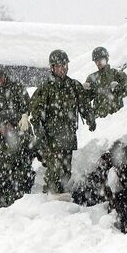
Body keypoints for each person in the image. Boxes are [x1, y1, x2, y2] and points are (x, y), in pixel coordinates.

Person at [29, 49, 96, 195]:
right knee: (54, 170)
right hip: (51, 139)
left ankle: (62, 199)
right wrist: (39, 129)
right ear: (52, 67)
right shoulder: (45, 88)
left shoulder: (73, 86)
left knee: (65, 171)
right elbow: (35, 112)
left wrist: (89, 117)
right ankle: (51, 197)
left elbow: (83, 104)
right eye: (59, 65)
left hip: (68, 138)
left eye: (65, 64)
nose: (63, 68)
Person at [84, 47, 127, 118]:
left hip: (117, 116)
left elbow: (126, 90)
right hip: (99, 119)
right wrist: (85, 91)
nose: (98, 62)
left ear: (106, 59)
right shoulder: (91, 78)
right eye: (96, 60)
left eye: (100, 59)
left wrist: (118, 88)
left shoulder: (117, 73)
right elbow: (86, 99)